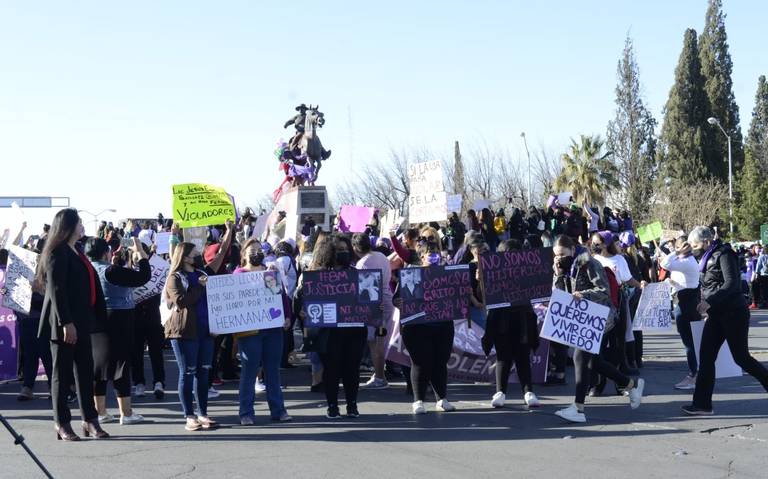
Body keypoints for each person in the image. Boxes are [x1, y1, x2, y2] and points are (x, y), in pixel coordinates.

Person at [551, 234, 644, 423]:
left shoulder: (589, 263)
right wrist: (559, 275)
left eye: (562, 254)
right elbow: (560, 293)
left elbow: (603, 292)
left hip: (598, 318)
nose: (559, 258)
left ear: (572, 249)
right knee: (593, 362)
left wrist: (582, 295)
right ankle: (631, 384)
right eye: (556, 256)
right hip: (580, 319)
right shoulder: (563, 268)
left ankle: (578, 408)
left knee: (579, 357)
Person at [37, 208, 110, 441]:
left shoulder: (77, 251)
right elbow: (57, 290)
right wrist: (66, 322)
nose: (82, 226)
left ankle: (90, 419)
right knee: (61, 375)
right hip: (63, 323)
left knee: (85, 372)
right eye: (79, 222)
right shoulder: (57, 252)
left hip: (82, 321)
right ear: (68, 226)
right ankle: (62, 422)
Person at [682, 226, 768, 415]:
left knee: (742, 358)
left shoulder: (724, 254)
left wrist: (709, 301)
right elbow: (709, 284)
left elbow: (731, 284)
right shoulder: (704, 259)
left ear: (706, 242)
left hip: (733, 313)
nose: (694, 248)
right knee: (705, 358)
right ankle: (702, 405)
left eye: (696, 245)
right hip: (716, 314)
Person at [295, 234, 368, 418]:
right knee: (332, 370)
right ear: (330, 253)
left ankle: (352, 405)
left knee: (351, 369)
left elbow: (368, 300)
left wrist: (375, 308)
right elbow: (300, 299)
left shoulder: (356, 274)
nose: (343, 253)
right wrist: (303, 310)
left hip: (354, 330)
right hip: (327, 332)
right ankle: (332, 406)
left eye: (345, 250)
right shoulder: (318, 276)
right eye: (339, 251)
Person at [85, 237, 151, 425]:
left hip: (94, 319)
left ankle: (101, 412)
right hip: (119, 317)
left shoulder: (86, 268)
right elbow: (143, 277)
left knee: (98, 366)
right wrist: (140, 253)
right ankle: (126, 412)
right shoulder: (111, 270)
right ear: (106, 252)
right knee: (121, 364)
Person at [233, 239, 292, 425]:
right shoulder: (238, 275)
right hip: (250, 331)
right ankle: (246, 413)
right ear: (244, 254)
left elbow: (281, 297)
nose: (257, 253)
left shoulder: (270, 273)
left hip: (273, 329)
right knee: (249, 372)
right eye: (252, 250)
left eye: (260, 250)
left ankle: (278, 410)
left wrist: (287, 316)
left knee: (273, 371)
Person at [396, 238, 457, 415]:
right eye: (430, 255)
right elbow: (396, 297)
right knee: (420, 362)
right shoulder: (410, 274)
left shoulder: (446, 274)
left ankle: (442, 399)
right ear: (422, 257)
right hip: (417, 327)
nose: (434, 257)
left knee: (440, 362)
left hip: (442, 325)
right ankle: (418, 400)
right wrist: (398, 301)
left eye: (436, 254)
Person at [479, 239, 541, 409]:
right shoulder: (494, 274)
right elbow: (484, 298)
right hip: (501, 321)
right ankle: (500, 392)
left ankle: (528, 391)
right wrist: (481, 281)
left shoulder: (526, 273)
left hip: (523, 319)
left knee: (523, 357)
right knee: (503, 358)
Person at [164, 242, 218, 431]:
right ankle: (189, 415)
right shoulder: (175, 277)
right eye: (194, 254)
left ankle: (202, 413)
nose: (198, 257)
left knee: (203, 373)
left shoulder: (203, 274)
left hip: (206, 331)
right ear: (185, 257)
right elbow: (181, 301)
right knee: (187, 372)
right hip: (185, 332)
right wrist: (199, 288)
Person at [659, 237, 701, 390]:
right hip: (685, 300)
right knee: (690, 341)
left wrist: (676, 251)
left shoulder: (686, 262)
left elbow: (664, 263)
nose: (673, 250)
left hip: (686, 304)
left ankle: (694, 375)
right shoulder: (686, 262)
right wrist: (673, 284)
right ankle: (695, 373)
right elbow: (684, 281)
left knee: (689, 342)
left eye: (675, 247)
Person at [353, 233, 393, 390]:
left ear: (355, 247)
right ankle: (379, 373)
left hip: (372, 304)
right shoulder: (382, 256)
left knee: (375, 342)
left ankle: (379, 377)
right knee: (382, 339)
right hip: (387, 299)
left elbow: (362, 289)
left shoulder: (362, 264)